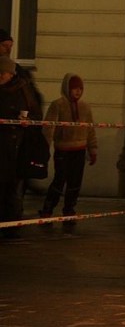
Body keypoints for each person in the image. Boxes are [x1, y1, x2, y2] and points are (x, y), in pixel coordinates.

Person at [39, 73, 98, 234]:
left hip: (79, 150)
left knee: (75, 182)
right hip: (63, 149)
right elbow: (49, 127)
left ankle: (69, 210)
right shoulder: (58, 105)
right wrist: (45, 148)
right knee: (59, 180)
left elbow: (90, 129)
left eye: (80, 89)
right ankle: (48, 209)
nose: (78, 92)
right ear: (67, 89)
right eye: (74, 89)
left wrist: (92, 149)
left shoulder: (85, 107)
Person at [0, 55, 42, 239]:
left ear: (10, 73)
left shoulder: (22, 90)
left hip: (17, 146)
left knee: (13, 187)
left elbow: (36, 115)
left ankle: (11, 225)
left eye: (3, 73)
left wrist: (27, 121)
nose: (1, 77)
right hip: (2, 145)